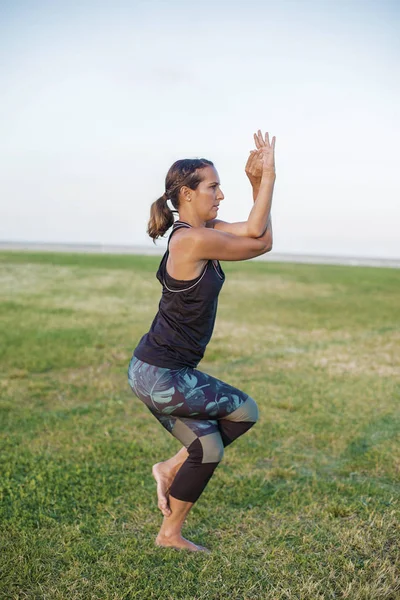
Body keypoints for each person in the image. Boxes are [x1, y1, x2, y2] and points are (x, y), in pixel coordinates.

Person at [128, 130, 276, 552]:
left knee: (208, 446)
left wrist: (257, 186)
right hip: (161, 374)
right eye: (213, 187)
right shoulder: (192, 239)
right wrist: (266, 180)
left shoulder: (203, 230)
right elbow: (260, 240)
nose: (219, 195)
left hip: (151, 370)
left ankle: (169, 533)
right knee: (244, 410)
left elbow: (257, 232)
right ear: (188, 193)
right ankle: (171, 467)